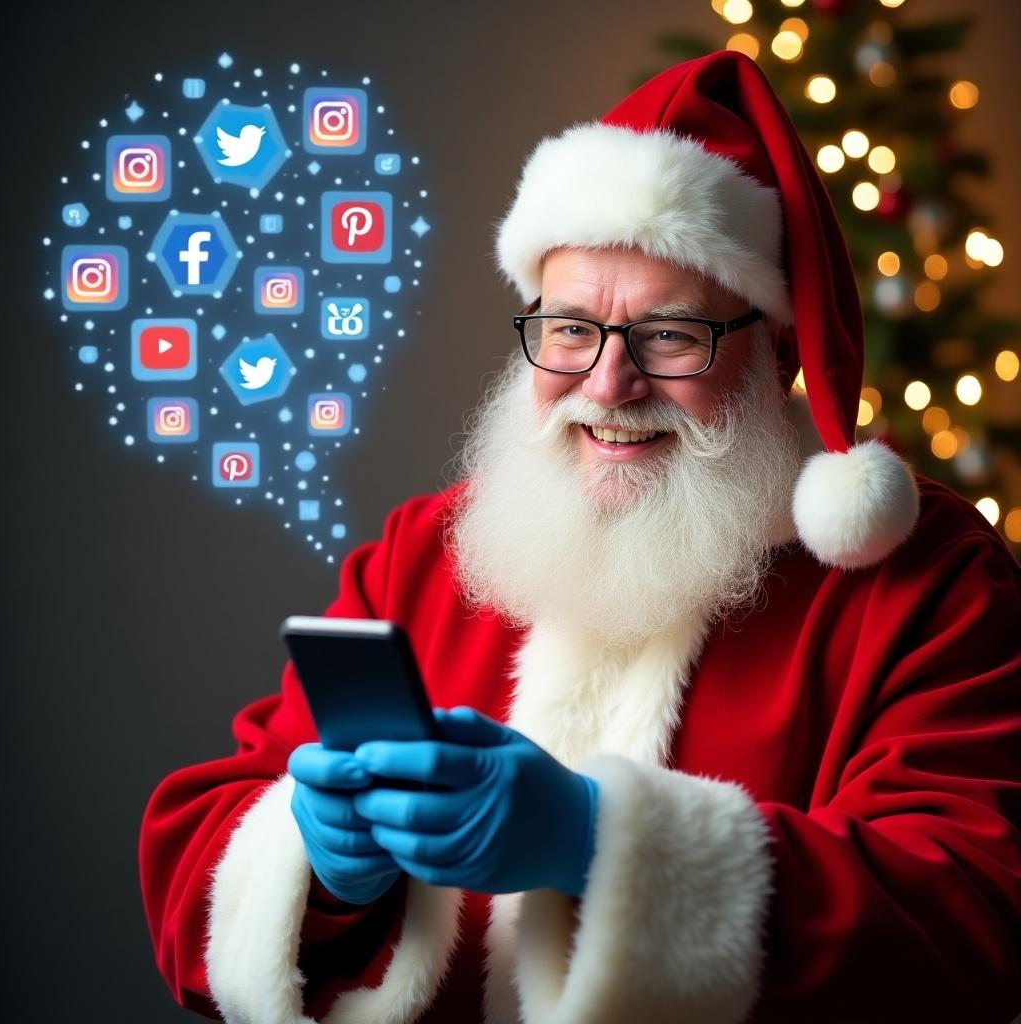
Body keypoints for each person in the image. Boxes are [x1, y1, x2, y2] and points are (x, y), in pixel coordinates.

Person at [139, 50, 1021, 1024]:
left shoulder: (928, 579)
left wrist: (600, 842)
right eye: (568, 329)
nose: (608, 384)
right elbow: (199, 857)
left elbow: (974, 919)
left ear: (773, 354)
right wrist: (315, 862)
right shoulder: (429, 551)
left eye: (671, 335)